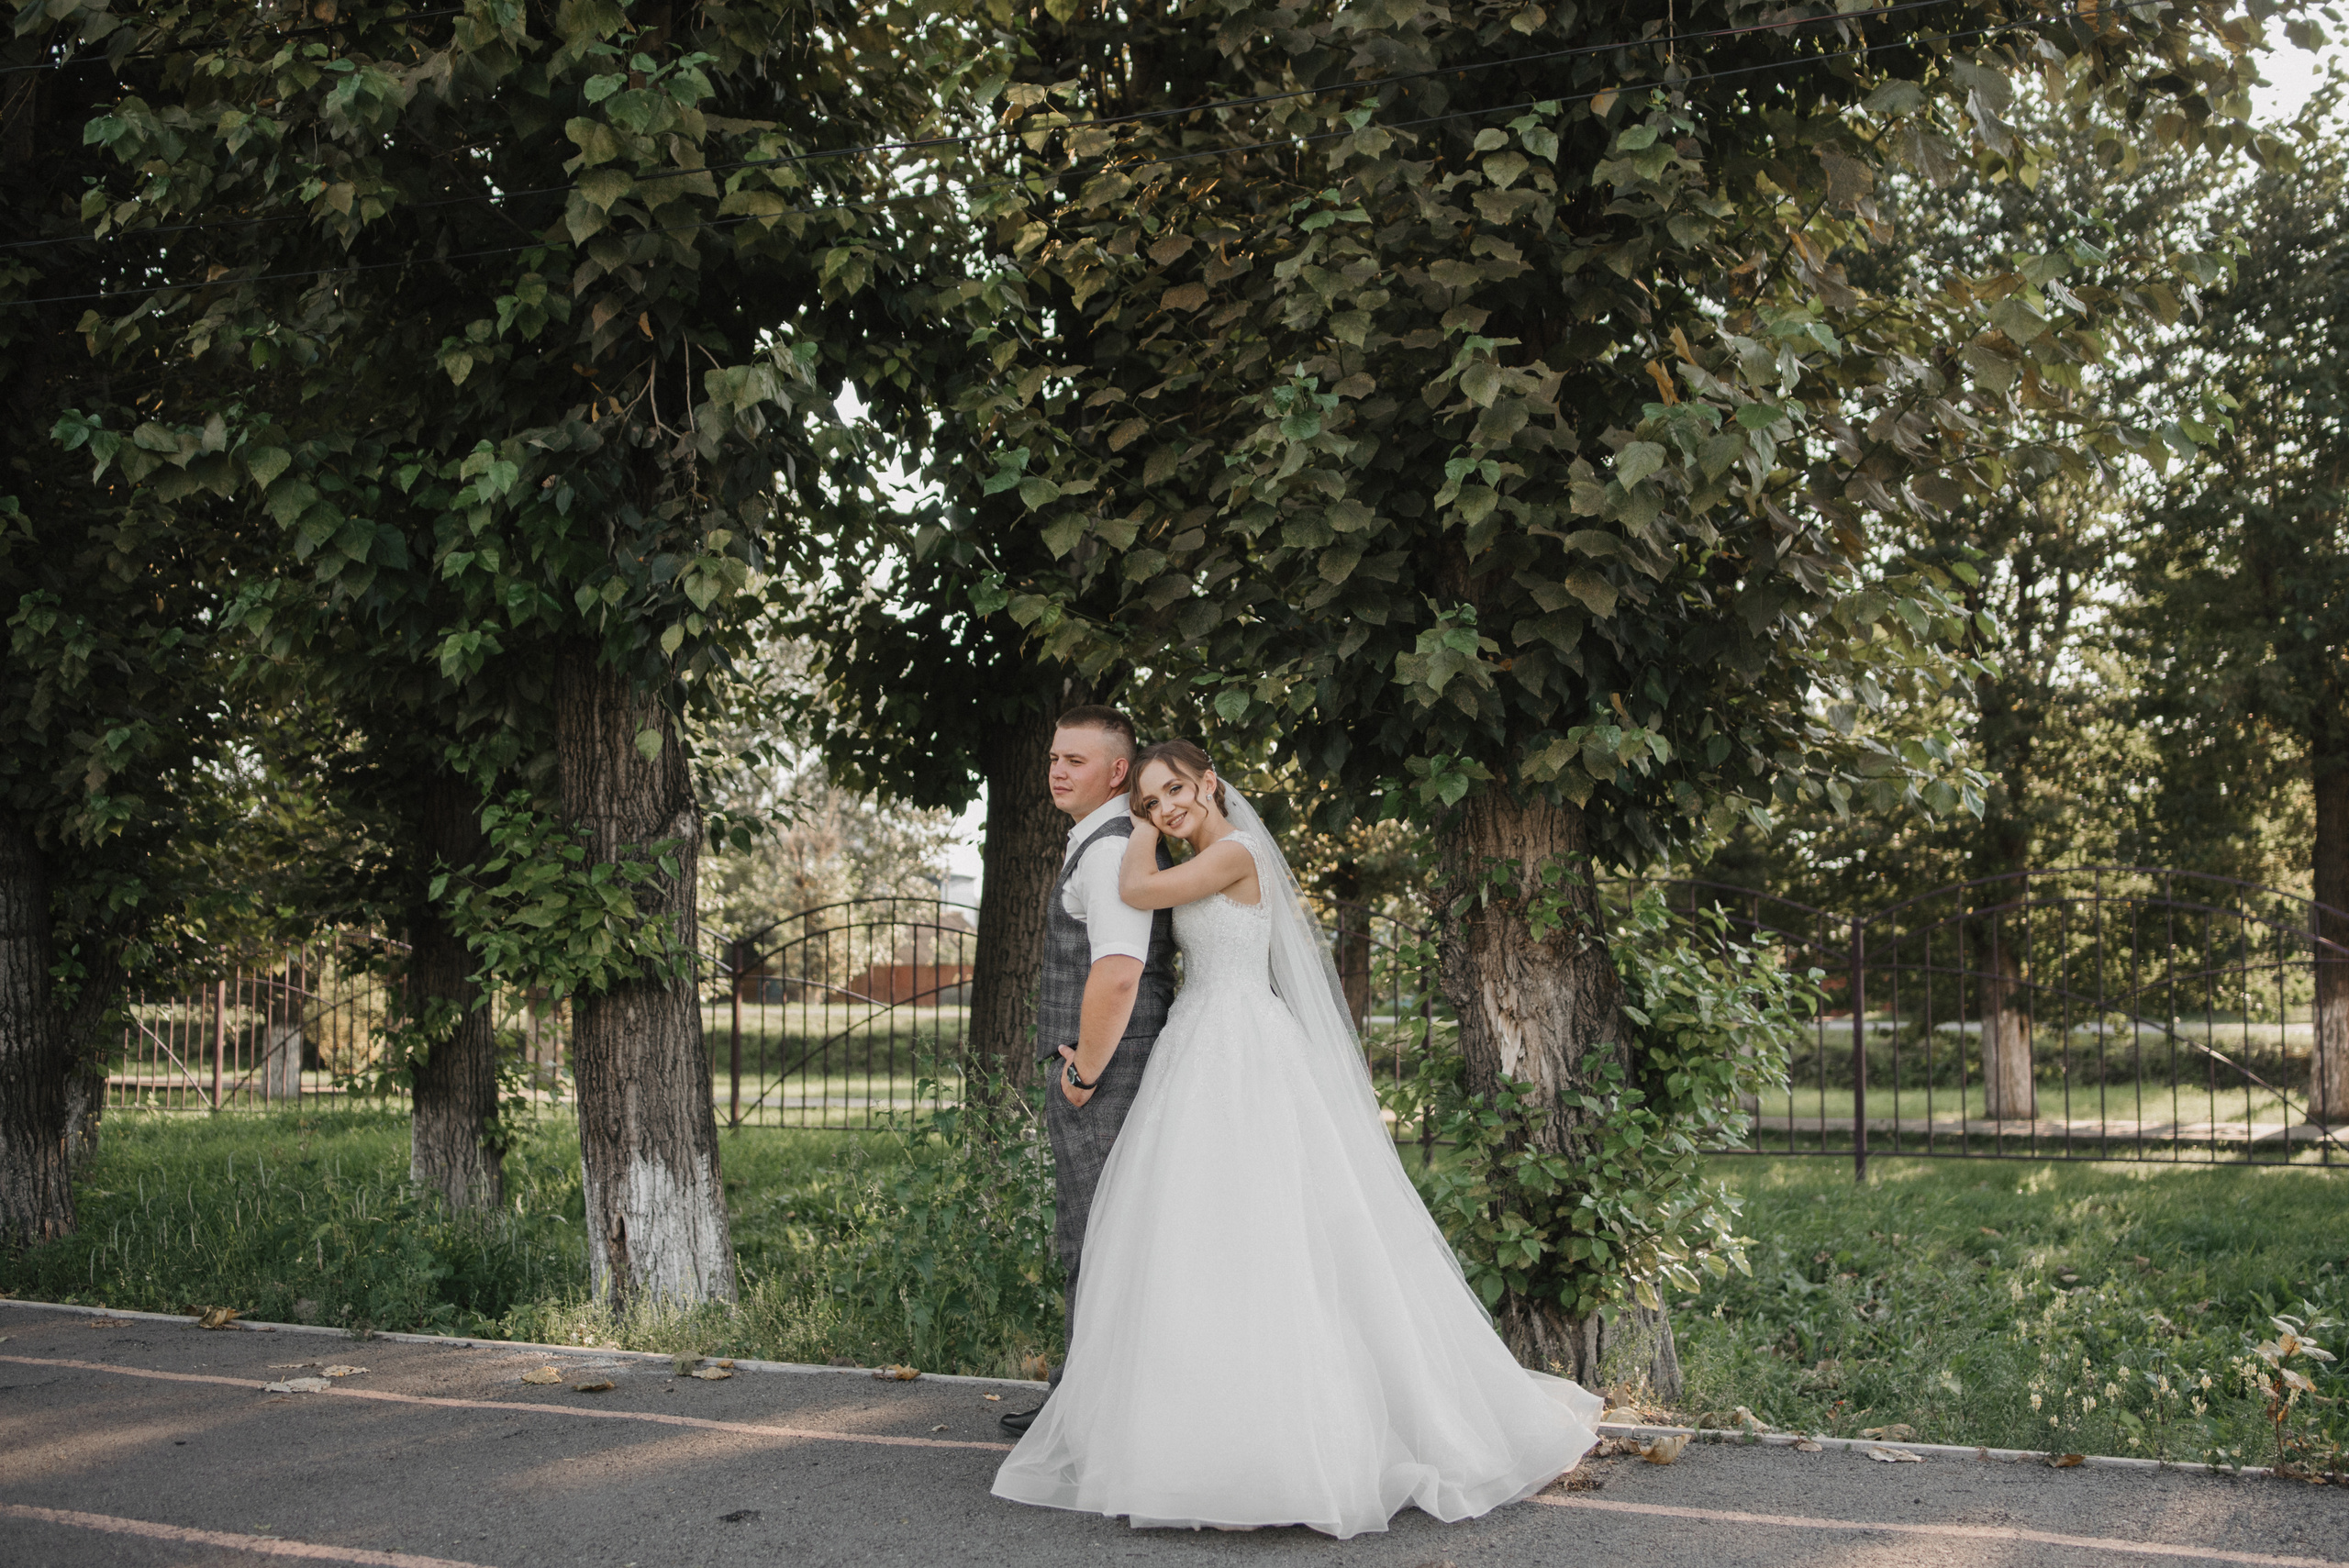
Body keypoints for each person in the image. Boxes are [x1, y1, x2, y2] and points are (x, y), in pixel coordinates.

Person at [992, 740, 1602, 1537]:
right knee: (1202, 1238)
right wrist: (1141, 811)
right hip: (1198, 1040)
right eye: (1151, 801)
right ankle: (1203, 1427)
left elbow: (1137, 887)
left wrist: (1129, 821)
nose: (1166, 809)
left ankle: (1301, 1440)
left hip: (1243, 1046)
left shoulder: (1235, 853)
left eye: (1175, 790)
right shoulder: (1208, 851)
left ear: (1210, 782)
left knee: (1275, 1230)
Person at [997, 706, 1180, 1437]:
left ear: (1115, 771)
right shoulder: (1103, 841)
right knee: (1100, 1231)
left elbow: (1116, 971)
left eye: (1075, 759)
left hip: (1107, 1069)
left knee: (1095, 1235)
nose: (1056, 770)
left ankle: (1086, 1414)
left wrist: (1084, 1073)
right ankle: (1088, 1398)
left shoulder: (1108, 849)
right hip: (1110, 1065)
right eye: (1052, 757)